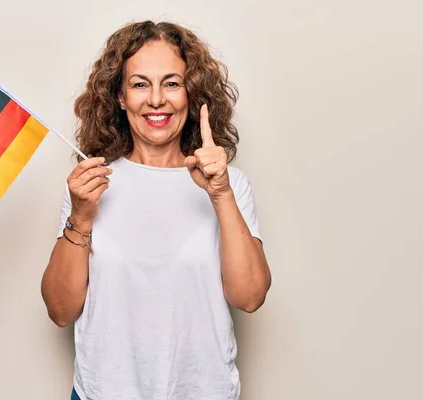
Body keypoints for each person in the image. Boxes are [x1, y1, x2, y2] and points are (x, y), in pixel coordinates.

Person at [41, 20, 272, 400]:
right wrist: (80, 218)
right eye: (139, 84)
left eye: (171, 83)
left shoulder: (230, 184)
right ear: (119, 97)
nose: (156, 100)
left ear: (191, 93)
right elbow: (61, 310)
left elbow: (249, 297)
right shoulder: (90, 185)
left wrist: (220, 194)